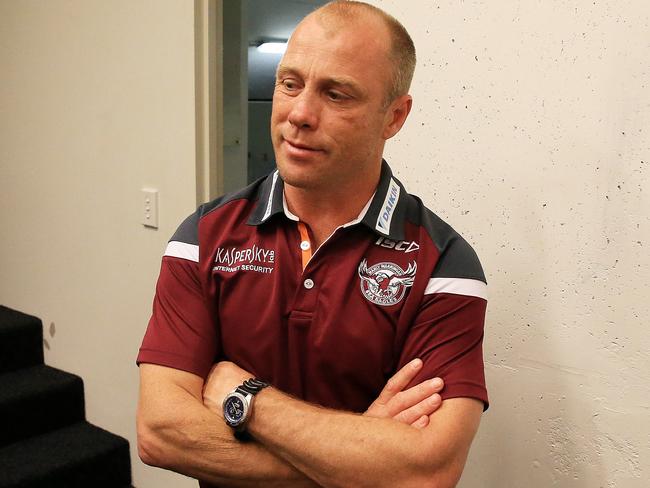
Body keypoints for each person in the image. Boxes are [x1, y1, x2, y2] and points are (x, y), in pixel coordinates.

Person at [136, 1, 488, 487]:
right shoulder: (202, 238)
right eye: (289, 83)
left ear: (395, 116)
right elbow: (161, 432)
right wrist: (359, 461)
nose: (299, 114)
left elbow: (427, 471)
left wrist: (246, 397)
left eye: (337, 94)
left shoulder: (444, 266)